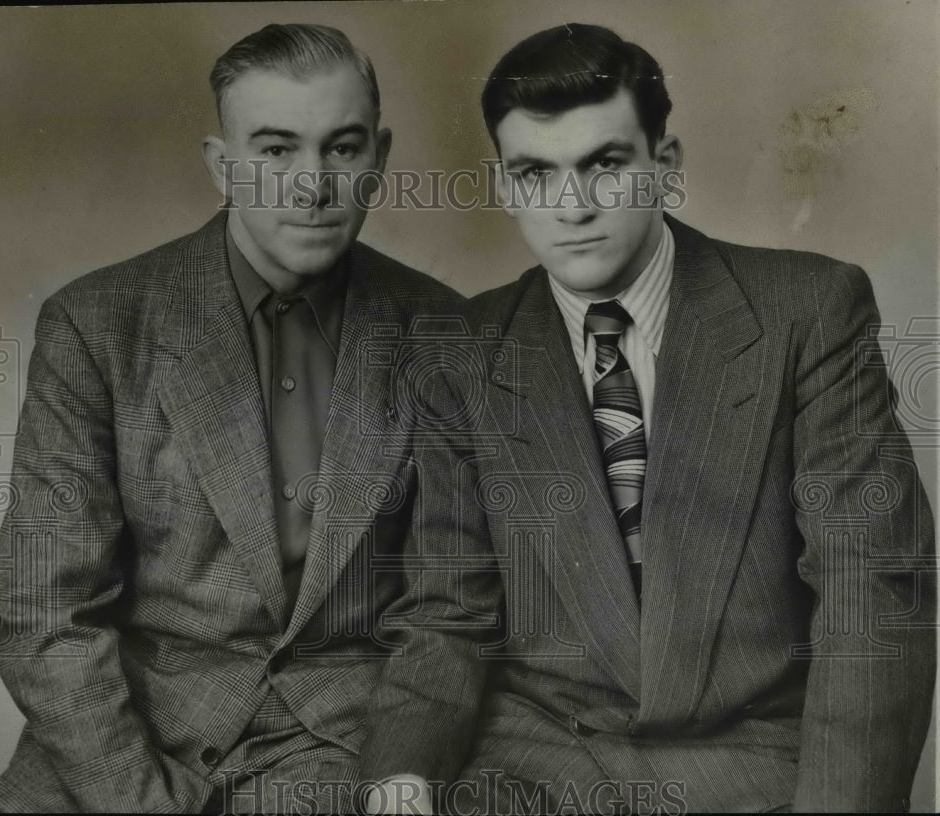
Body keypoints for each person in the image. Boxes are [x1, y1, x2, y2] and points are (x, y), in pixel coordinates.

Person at [360, 23, 936, 814]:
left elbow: (871, 586)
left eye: (604, 165)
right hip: (532, 769)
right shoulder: (462, 354)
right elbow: (448, 608)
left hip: (751, 768)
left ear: (665, 168)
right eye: (535, 173)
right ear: (505, 186)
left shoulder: (808, 311)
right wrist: (404, 776)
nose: (572, 207)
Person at [0, 22, 463, 813]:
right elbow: (43, 615)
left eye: (341, 149)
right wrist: (140, 800)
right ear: (223, 166)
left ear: (378, 159)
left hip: (345, 752)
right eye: (276, 151)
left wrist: (399, 771)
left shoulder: (445, 333)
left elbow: (448, 607)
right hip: (122, 743)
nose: (312, 185)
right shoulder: (98, 325)